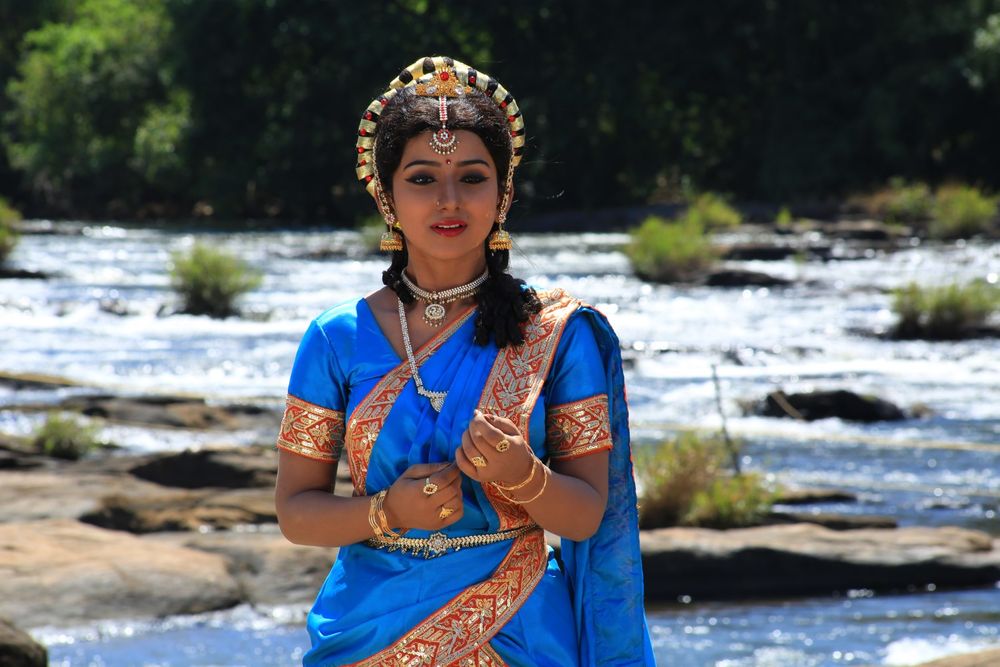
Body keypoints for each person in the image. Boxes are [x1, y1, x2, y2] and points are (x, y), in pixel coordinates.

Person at [274, 56, 655, 666]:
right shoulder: (335, 338)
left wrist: (522, 474)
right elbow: (297, 513)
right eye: (422, 178)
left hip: (521, 629)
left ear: (504, 194)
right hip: (369, 631)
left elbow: (587, 515)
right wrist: (388, 512)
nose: (449, 201)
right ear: (386, 196)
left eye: (472, 178)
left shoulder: (555, 333)